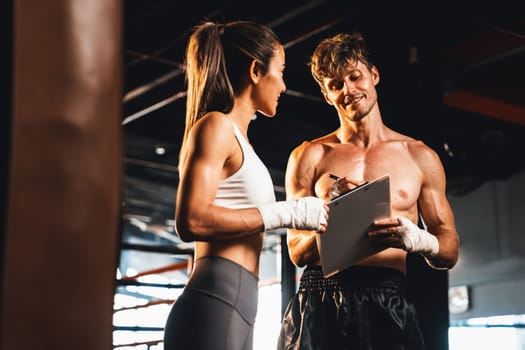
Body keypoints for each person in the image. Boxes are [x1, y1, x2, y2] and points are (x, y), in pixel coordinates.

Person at [277, 32, 460, 349]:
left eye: (354, 76)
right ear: (326, 95)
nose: (348, 89)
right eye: (335, 84)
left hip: (387, 296)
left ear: (373, 75)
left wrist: (419, 240)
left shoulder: (419, 156)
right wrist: (332, 215)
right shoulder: (309, 155)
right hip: (319, 295)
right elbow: (296, 252)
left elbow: (449, 249)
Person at [163, 20, 329, 350]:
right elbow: (191, 220)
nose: (283, 85)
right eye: (280, 71)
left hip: (239, 305)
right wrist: (286, 213)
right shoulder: (216, 126)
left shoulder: (243, 143)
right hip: (214, 300)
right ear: (256, 70)